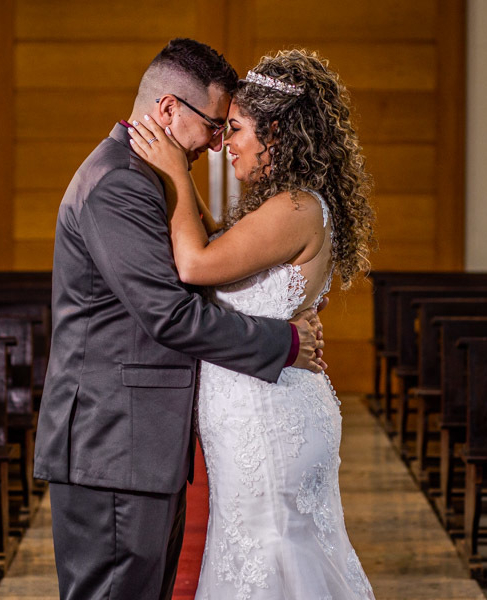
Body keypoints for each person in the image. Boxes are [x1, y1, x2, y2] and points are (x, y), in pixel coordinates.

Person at [33, 38, 327, 600]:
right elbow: (169, 315)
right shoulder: (119, 183)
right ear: (168, 110)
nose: (217, 145)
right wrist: (282, 342)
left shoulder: (148, 178)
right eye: (214, 126)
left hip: (134, 447)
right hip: (113, 445)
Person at [127, 48, 377, 599]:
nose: (224, 144)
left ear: (278, 131)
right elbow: (217, 247)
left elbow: (194, 264)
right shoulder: (282, 206)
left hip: (271, 419)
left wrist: (172, 170)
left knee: (272, 554)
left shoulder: (295, 208)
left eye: (236, 128)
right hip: (258, 412)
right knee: (256, 552)